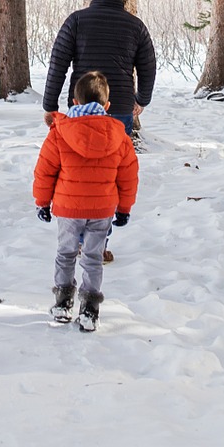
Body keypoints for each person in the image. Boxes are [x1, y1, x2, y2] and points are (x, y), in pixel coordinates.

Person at [33, 70, 138, 331]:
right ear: (107, 105)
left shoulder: (59, 133)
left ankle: (62, 302)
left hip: (68, 209)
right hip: (102, 209)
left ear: (75, 103)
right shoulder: (120, 137)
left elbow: (45, 171)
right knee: (92, 257)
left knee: (66, 253)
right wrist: (124, 208)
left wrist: (42, 202)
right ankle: (90, 308)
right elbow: (128, 176)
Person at [42, 0, 156, 137]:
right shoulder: (136, 26)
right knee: (117, 159)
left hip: (81, 106)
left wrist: (50, 106)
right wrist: (141, 100)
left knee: (79, 158)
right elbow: (148, 68)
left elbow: (57, 65)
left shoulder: (76, 21)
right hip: (120, 106)